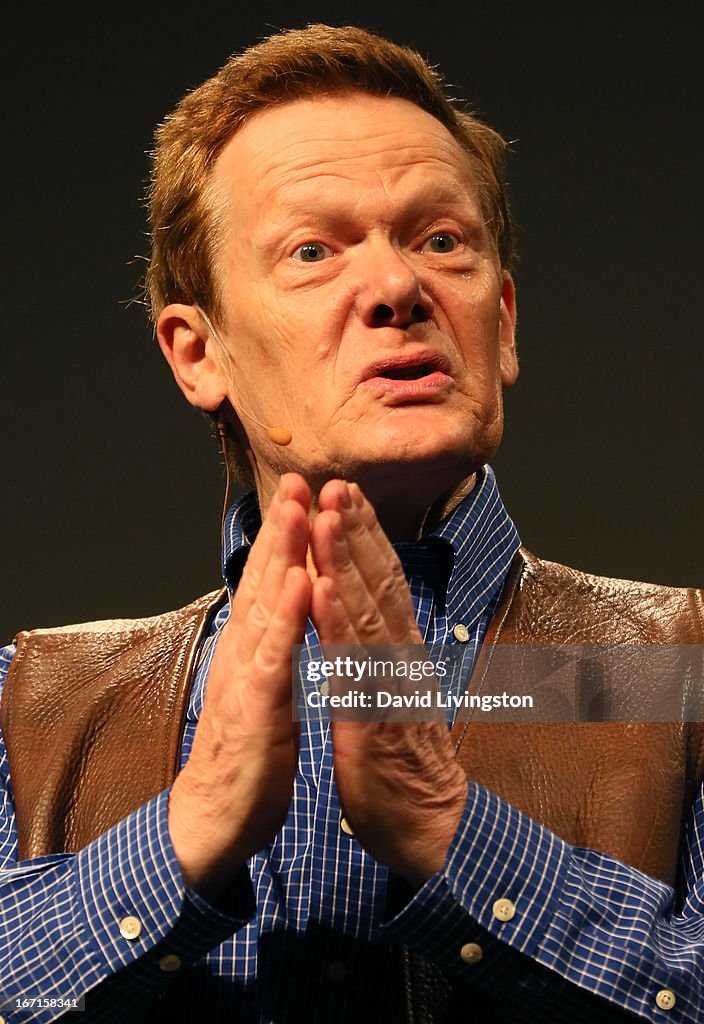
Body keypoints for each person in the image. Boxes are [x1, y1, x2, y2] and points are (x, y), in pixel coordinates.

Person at [1, 22, 703, 1024]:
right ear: (197, 353)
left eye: (440, 240)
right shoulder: (33, 703)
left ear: (500, 321)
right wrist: (187, 830)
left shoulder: (665, 674)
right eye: (312, 250)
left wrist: (445, 828)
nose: (393, 288)